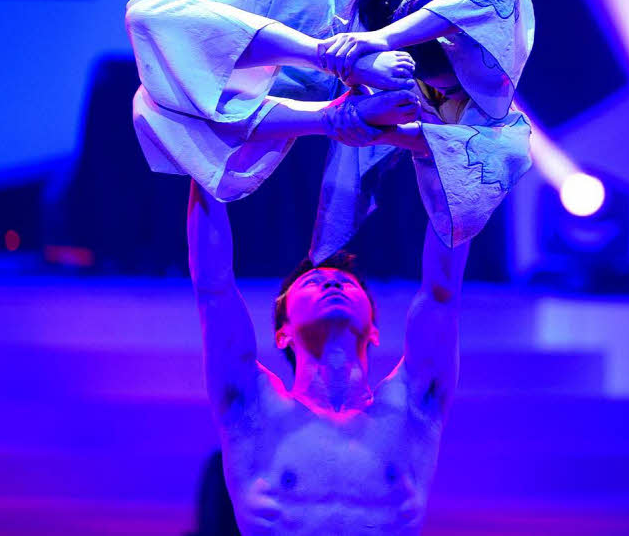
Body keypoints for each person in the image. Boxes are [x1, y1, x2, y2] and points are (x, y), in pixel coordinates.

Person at [125, 0, 535, 261]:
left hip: (315, 72)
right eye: (445, 85)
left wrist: (382, 133)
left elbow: (497, 153)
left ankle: (330, 115)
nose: (445, 95)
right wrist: (372, 45)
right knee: (151, 12)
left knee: (189, 131)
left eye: (444, 89)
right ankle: (329, 62)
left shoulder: (481, 99)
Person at [188, 178, 468, 533]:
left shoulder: (412, 410)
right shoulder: (252, 409)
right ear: (282, 333)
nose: (333, 284)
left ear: (374, 331)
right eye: (313, 283)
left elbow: (442, 291)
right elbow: (213, 287)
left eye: (347, 284)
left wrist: (452, 164)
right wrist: (206, 166)